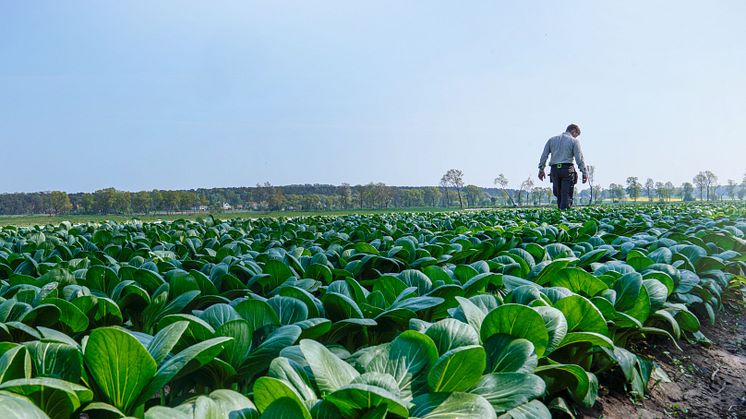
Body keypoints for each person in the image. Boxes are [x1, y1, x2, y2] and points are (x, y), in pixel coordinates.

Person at [537, 124, 588, 209]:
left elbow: (544, 156)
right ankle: (564, 217)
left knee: (559, 195)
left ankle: (560, 217)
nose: (576, 137)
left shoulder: (551, 140)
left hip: (554, 171)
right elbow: (579, 159)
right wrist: (584, 172)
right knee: (566, 195)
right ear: (573, 131)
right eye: (576, 135)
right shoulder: (574, 141)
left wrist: (541, 169)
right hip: (567, 170)